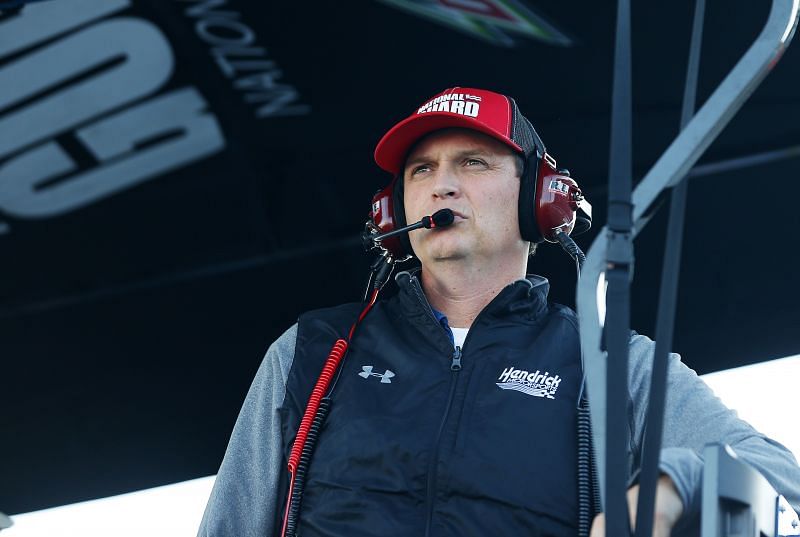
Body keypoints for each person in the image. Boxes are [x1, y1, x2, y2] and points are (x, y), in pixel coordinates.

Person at [198, 87, 800, 537]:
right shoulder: (310, 351)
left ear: (541, 200)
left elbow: (780, 483)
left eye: (473, 162)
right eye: (421, 169)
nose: (441, 185)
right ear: (391, 211)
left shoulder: (615, 362)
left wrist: (674, 484)